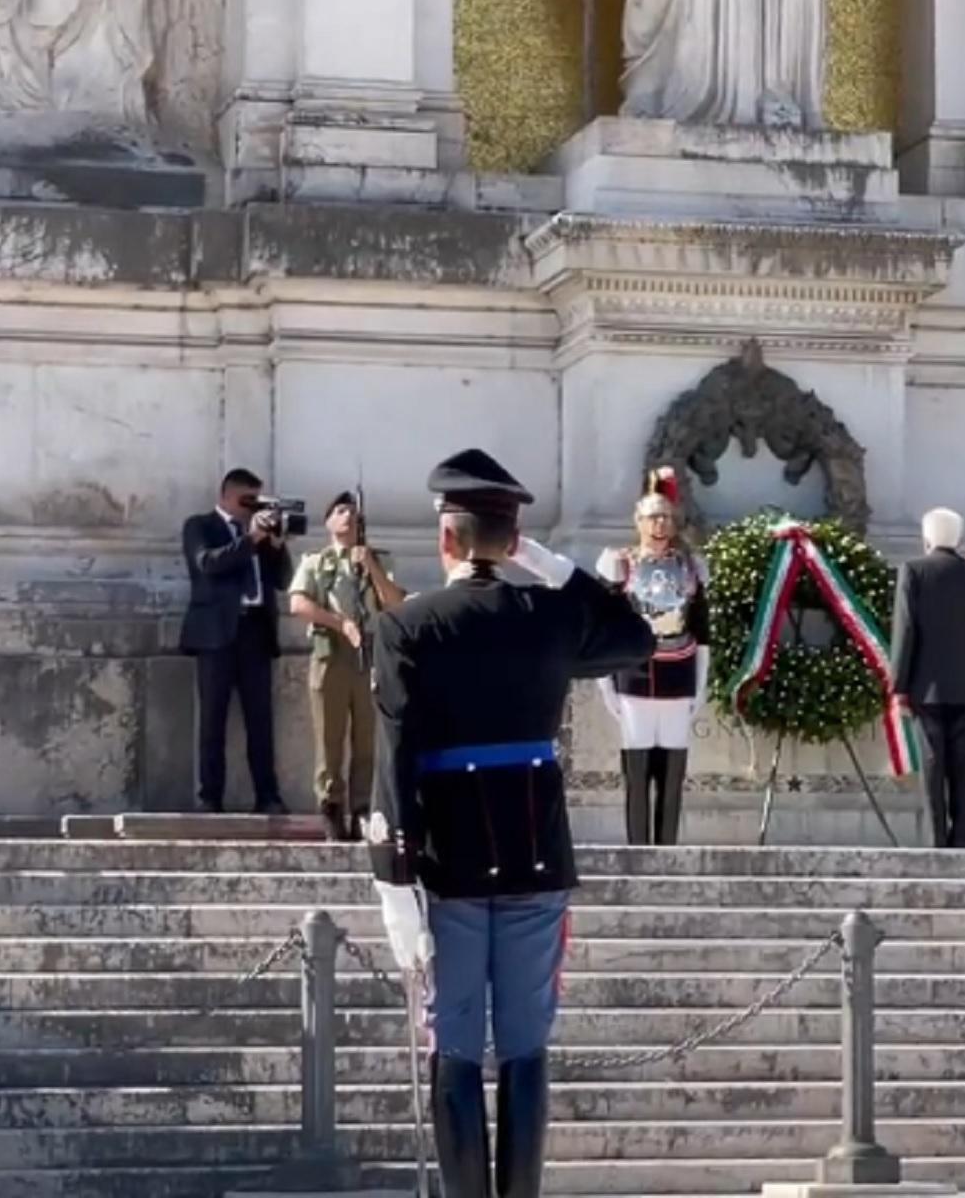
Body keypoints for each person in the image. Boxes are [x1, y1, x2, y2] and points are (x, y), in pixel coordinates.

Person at [368, 449, 655, 1198]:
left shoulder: (408, 625)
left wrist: (394, 879)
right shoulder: (549, 615)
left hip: (452, 860)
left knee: (456, 1042)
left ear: (447, 539)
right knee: (526, 1046)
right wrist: (551, 564)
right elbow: (635, 637)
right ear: (510, 535)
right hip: (535, 852)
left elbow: (394, 756)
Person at [595, 467, 710, 846]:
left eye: (666, 517)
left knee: (673, 766)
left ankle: (667, 846)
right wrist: (605, 683)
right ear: (638, 521)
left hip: (678, 671)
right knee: (638, 763)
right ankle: (638, 846)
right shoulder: (620, 565)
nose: (660, 524)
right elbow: (604, 628)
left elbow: (702, 631)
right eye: (652, 517)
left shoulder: (691, 568)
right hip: (635, 674)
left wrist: (701, 683)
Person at [288, 491, 407, 842]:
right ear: (328, 521)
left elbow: (395, 603)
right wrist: (340, 623)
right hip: (331, 652)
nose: (348, 517)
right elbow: (298, 603)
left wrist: (370, 566)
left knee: (367, 736)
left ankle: (361, 809)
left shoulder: (378, 560)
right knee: (330, 736)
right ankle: (331, 807)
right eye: (340, 511)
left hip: (369, 654)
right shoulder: (317, 561)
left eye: (353, 513)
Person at [179, 468, 293, 814]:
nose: (252, 508)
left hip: (255, 631)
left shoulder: (258, 534)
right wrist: (250, 540)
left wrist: (275, 545)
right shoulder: (200, 526)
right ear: (227, 495)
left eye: (257, 501)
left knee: (261, 720)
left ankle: (268, 795)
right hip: (215, 634)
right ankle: (210, 796)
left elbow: (284, 579)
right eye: (247, 500)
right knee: (212, 719)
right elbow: (207, 564)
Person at [890, 507, 965, 849]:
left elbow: (905, 631)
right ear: (958, 538)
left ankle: (936, 839)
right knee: (964, 769)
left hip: (926, 686)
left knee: (933, 766)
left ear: (926, 538)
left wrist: (898, 686)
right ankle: (964, 838)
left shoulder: (914, 571)